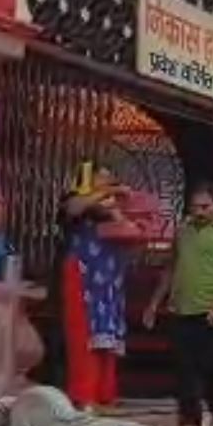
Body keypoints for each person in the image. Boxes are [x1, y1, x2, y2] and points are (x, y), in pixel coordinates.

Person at [144, 183, 213, 426]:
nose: (199, 212)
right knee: (184, 367)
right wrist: (155, 303)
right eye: (195, 207)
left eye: (205, 206)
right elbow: (171, 268)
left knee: (212, 366)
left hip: (210, 311)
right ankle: (190, 421)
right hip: (181, 309)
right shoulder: (183, 231)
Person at [57, 162, 138, 412]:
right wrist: (103, 194)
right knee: (84, 337)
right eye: (101, 180)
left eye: (109, 180)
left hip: (110, 282)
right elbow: (74, 208)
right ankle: (84, 396)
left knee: (108, 339)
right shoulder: (76, 203)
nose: (107, 185)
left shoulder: (111, 208)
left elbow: (133, 238)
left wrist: (117, 209)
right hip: (83, 276)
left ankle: (105, 396)